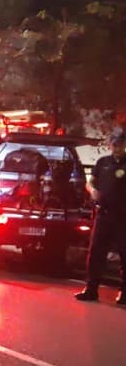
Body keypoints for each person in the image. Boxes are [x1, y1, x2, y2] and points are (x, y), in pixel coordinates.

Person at [75, 128, 126, 305]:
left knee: (124, 255)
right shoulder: (103, 162)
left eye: (120, 144)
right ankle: (91, 289)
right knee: (96, 253)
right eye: (114, 144)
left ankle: (124, 294)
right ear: (110, 145)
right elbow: (91, 182)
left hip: (123, 217)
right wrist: (93, 190)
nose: (116, 147)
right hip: (103, 215)